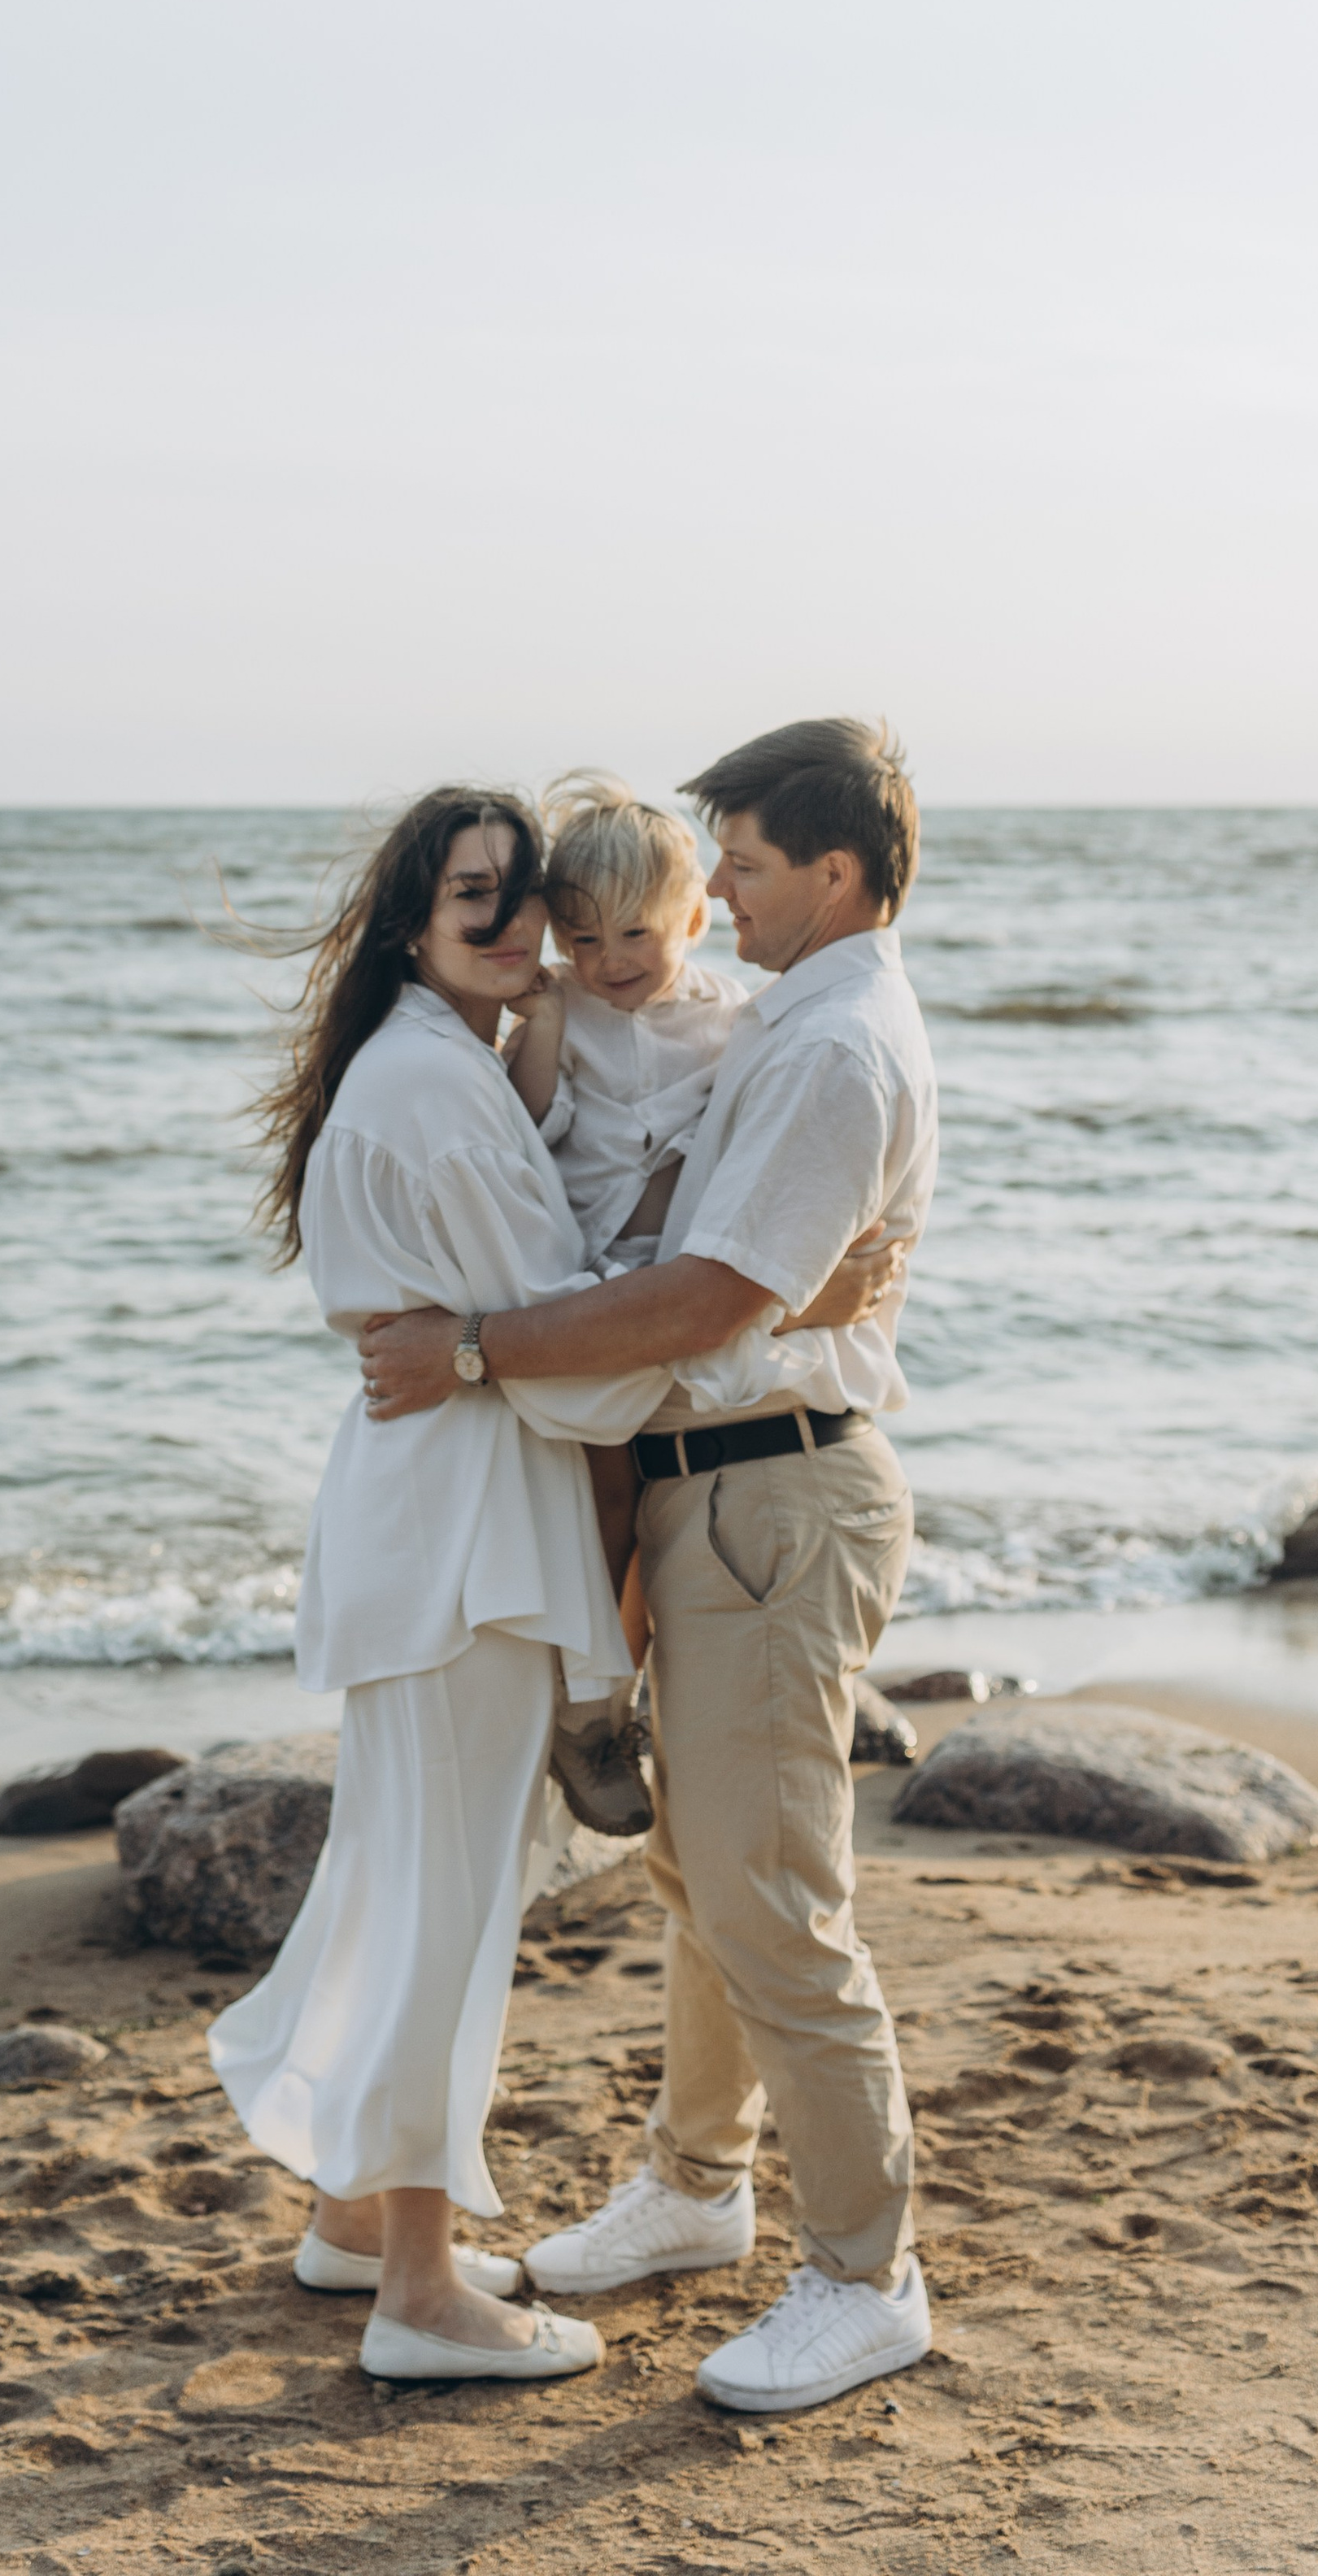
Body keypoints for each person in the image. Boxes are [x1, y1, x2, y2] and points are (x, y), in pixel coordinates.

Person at [358, 716, 938, 2416]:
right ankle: (695, 2186)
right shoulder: (786, 1024)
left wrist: (467, 1349)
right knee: (701, 1873)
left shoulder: (828, 1048)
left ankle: (865, 2275)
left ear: (829, 870)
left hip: (773, 1496)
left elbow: (701, 1304)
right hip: (708, 1491)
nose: (724, 897)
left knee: (771, 1902)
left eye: (742, 865)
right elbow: (698, 1248)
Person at [209, 785, 750, 2384]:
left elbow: (508, 1329)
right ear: (409, 922)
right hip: (456, 1545)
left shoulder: (423, 1061)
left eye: (528, 898)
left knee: (400, 1884)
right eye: (479, 902)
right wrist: (692, 1283)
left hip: (422, 1520)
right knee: (442, 1914)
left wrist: (518, 1334)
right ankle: (423, 2299)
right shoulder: (438, 1089)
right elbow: (567, 1364)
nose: (522, 931)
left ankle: (357, 2220)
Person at [503, 773, 747, 1839]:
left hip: (688, 1295)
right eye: (585, 938)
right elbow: (527, 1122)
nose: (611, 961)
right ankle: (587, 1710)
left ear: (693, 917)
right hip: (592, 1290)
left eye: (637, 934)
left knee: (668, 1516)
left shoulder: (740, 1016)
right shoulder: (576, 1016)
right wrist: (548, 1023)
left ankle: (632, 1699)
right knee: (605, 1503)